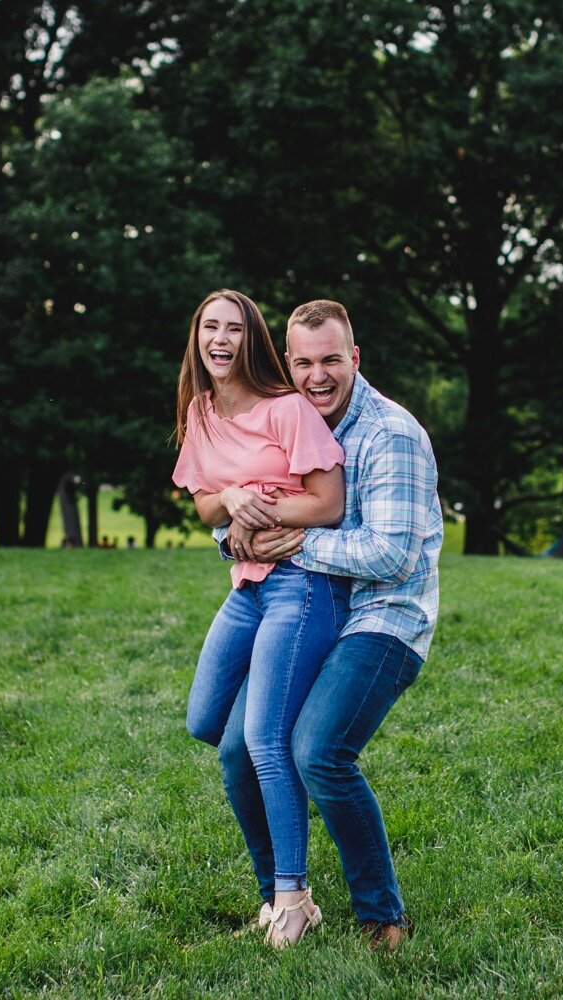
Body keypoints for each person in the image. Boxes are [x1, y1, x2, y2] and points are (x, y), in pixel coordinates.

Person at [220, 299, 442, 952]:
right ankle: (282, 899)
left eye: (332, 361)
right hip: (307, 611)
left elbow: (390, 556)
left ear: (356, 359)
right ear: (288, 363)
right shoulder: (284, 422)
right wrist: (235, 531)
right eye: (305, 362)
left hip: (383, 620)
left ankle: (382, 915)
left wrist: (293, 542)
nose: (318, 376)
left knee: (318, 750)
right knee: (237, 751)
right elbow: (234, 506)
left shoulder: (390, 434)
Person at [171, 289, 349, 948]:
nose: (220, 339)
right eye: (209, 327)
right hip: (247, 589)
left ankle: (291, 898)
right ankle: (280, 889)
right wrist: (236, 496)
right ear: (197, 338)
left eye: (233, 329)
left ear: (251, 342)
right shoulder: (200, 412)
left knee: (263, 744)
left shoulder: (288, 410)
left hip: (299, 589)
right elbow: (204, 508)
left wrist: (263, 509)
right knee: (212, 729)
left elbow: (327, 504)